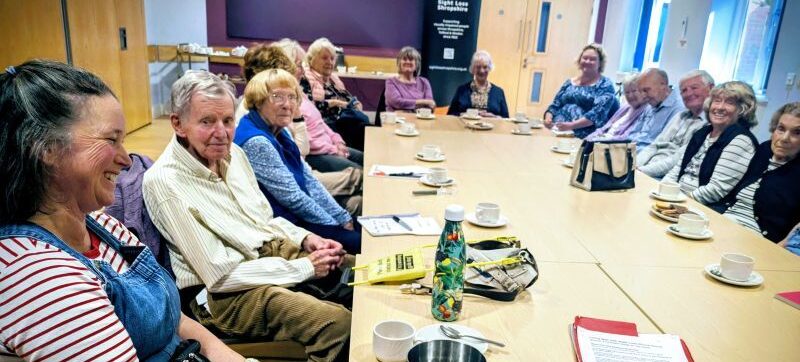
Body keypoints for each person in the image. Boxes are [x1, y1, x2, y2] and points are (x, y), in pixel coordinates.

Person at [0, 60, 244, 360]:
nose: (128, 160)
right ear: (46, 149)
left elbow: (176, 321)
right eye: (111, 140)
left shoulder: (99, 223)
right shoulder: (39, 278)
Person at [142, 70, 351, 361]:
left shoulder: (235, 154)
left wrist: (306, 239)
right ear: (178, 124)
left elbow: (265, 220)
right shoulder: (165, 182)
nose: (221, 132)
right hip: (222, 295)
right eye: (207, 121)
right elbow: (220, 277)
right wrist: (304, 268)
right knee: (337, 324)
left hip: (263, 256)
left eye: (227, 120)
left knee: (352, 269)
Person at [235, 68, 361, 253]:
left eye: (292, 97)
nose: (287, 105)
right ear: (258, 101)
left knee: (359, 228)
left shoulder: (281, 131)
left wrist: (342, 218)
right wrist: (335, 225)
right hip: (286, 227)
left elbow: (309, 180)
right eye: (277, 96)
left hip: (298, 217)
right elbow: (293, 199)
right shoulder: (257, 142)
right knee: (362, 243)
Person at [239, 42, 363, 215]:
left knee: (358, 199)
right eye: (297, 65)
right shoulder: (269, 115)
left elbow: (302, 154)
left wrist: (335, 141)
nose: (302, 70)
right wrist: (337, 221)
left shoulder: (288, 104)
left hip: (305, 170)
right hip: (304, 173)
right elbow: (295, 186)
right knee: (360, 178)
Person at [714, 102, 800, 242]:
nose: (784, 138)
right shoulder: (764, 150)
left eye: (797, 132)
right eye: (781, 129)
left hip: (756, 240)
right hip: (725, 222)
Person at [662, 81, 758, 205]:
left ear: (743, 110)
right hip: (677, 199)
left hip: (701, 208)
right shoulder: (703, 133)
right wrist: (662, 192)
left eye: (729, 103)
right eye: (717, 101)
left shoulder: (741, 141)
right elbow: (677, 170)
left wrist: (677, 203)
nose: (720, 107)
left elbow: (716, 190)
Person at [637, 70, 715, 178]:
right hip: (645, 170)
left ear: (711, 88)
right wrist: (634, 167)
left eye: (694, 88)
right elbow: (653, 146)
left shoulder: (711, 124)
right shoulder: (680, 116)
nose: (688, 94)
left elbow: (678, 159)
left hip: (666, 177)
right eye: (684, 90)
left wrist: (639, 172)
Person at [300, 37, 368, 150]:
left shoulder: (333, 79)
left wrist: (356, 104)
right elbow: (310, 109)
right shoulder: (305, 78)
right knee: (363, 130)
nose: (329, 62)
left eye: (332, 59)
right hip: (328, 125)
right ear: (311, 59)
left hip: (344, 121)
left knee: (366, 128)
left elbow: (348, 98)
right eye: (324, 58)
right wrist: (335, 103)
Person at [544, 43, 619, 138]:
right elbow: (555, 105)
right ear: (579, 60)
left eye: (593, 59)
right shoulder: (569, 82)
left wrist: (571, 126)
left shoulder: (605, 85)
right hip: (557, 130)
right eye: (585, 58)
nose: (587, 61)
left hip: (583, 135)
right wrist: (548, 118)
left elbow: (596, 115)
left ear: (600, 63)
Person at [627, 68, 685, 149]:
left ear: (663, 85)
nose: (643, 96)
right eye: (640, 91)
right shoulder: (651, 104)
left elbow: (665, 147)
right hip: (631, 152)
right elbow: (632, 134)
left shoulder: (679, 109)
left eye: (646, 90)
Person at [585, 73, 649, 141]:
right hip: (601, 141)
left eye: (634, 91)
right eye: (627, 92)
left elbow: (627, 137)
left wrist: (599, 139)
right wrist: (588, 138)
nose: (630, 96)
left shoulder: (645, 111)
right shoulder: (626, 106)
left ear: (643, 92)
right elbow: (604, 128)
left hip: (612, 146)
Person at [447, 50, 509, 118]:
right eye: (478, 67)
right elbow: (450, 115)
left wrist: (494, 117)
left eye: (485, 67)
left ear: (490, 68)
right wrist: (465, 115)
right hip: (465, 127)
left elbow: (506, 118)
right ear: (473, 69)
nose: (482, 71)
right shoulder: (461, 90)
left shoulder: (499, 92)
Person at [385, 46, 435, 112]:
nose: (408, 62)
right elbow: (396, 102)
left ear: (416, 64)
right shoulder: (391, 82)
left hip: (419, 120)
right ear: (399, 63)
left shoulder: (424, 82)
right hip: (397, 120)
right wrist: (423, 102)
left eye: (411, 59)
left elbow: (430, 105)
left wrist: (404, 109)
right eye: (404, 59)